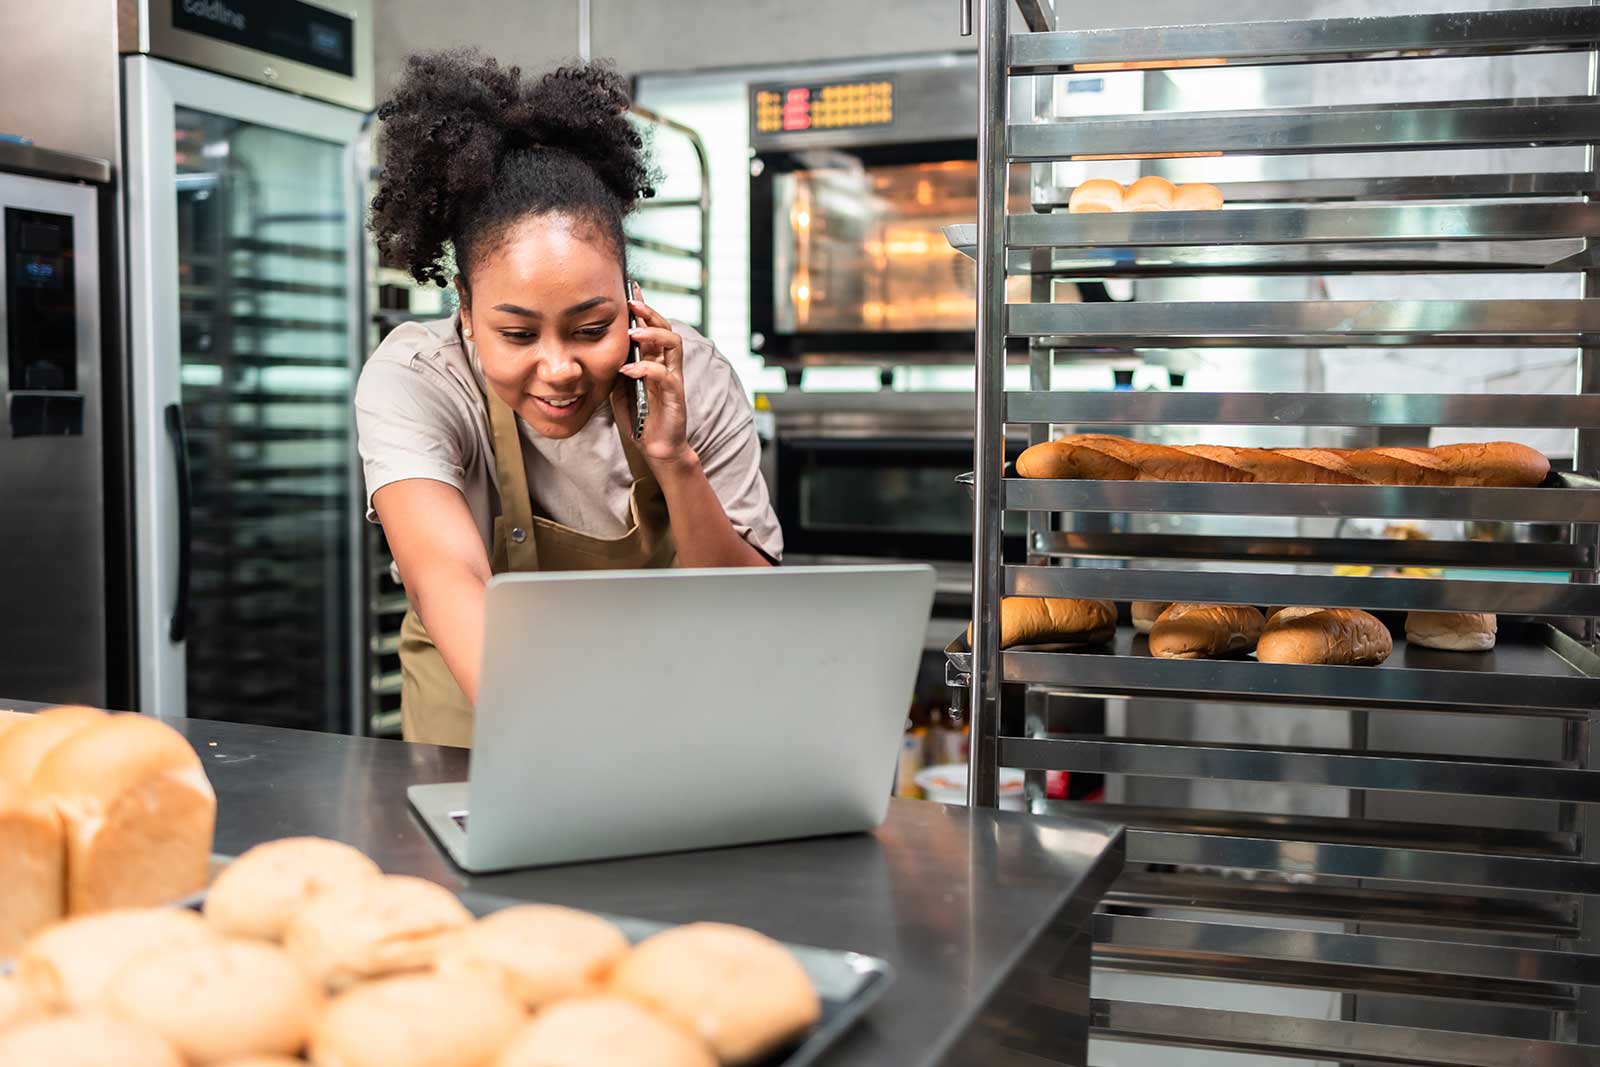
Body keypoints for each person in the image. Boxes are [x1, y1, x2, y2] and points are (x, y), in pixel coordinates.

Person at [355, 50, 782, 747]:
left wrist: (674, 458)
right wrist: (578, 764)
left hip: (668, 735)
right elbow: (449, 577)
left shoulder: (694, 376)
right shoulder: (418, 379)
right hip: (474, 748)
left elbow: (751, 614)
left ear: (629, 297)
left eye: (591, 327)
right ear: (464, 306)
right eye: (518, 332)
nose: (559, 369)